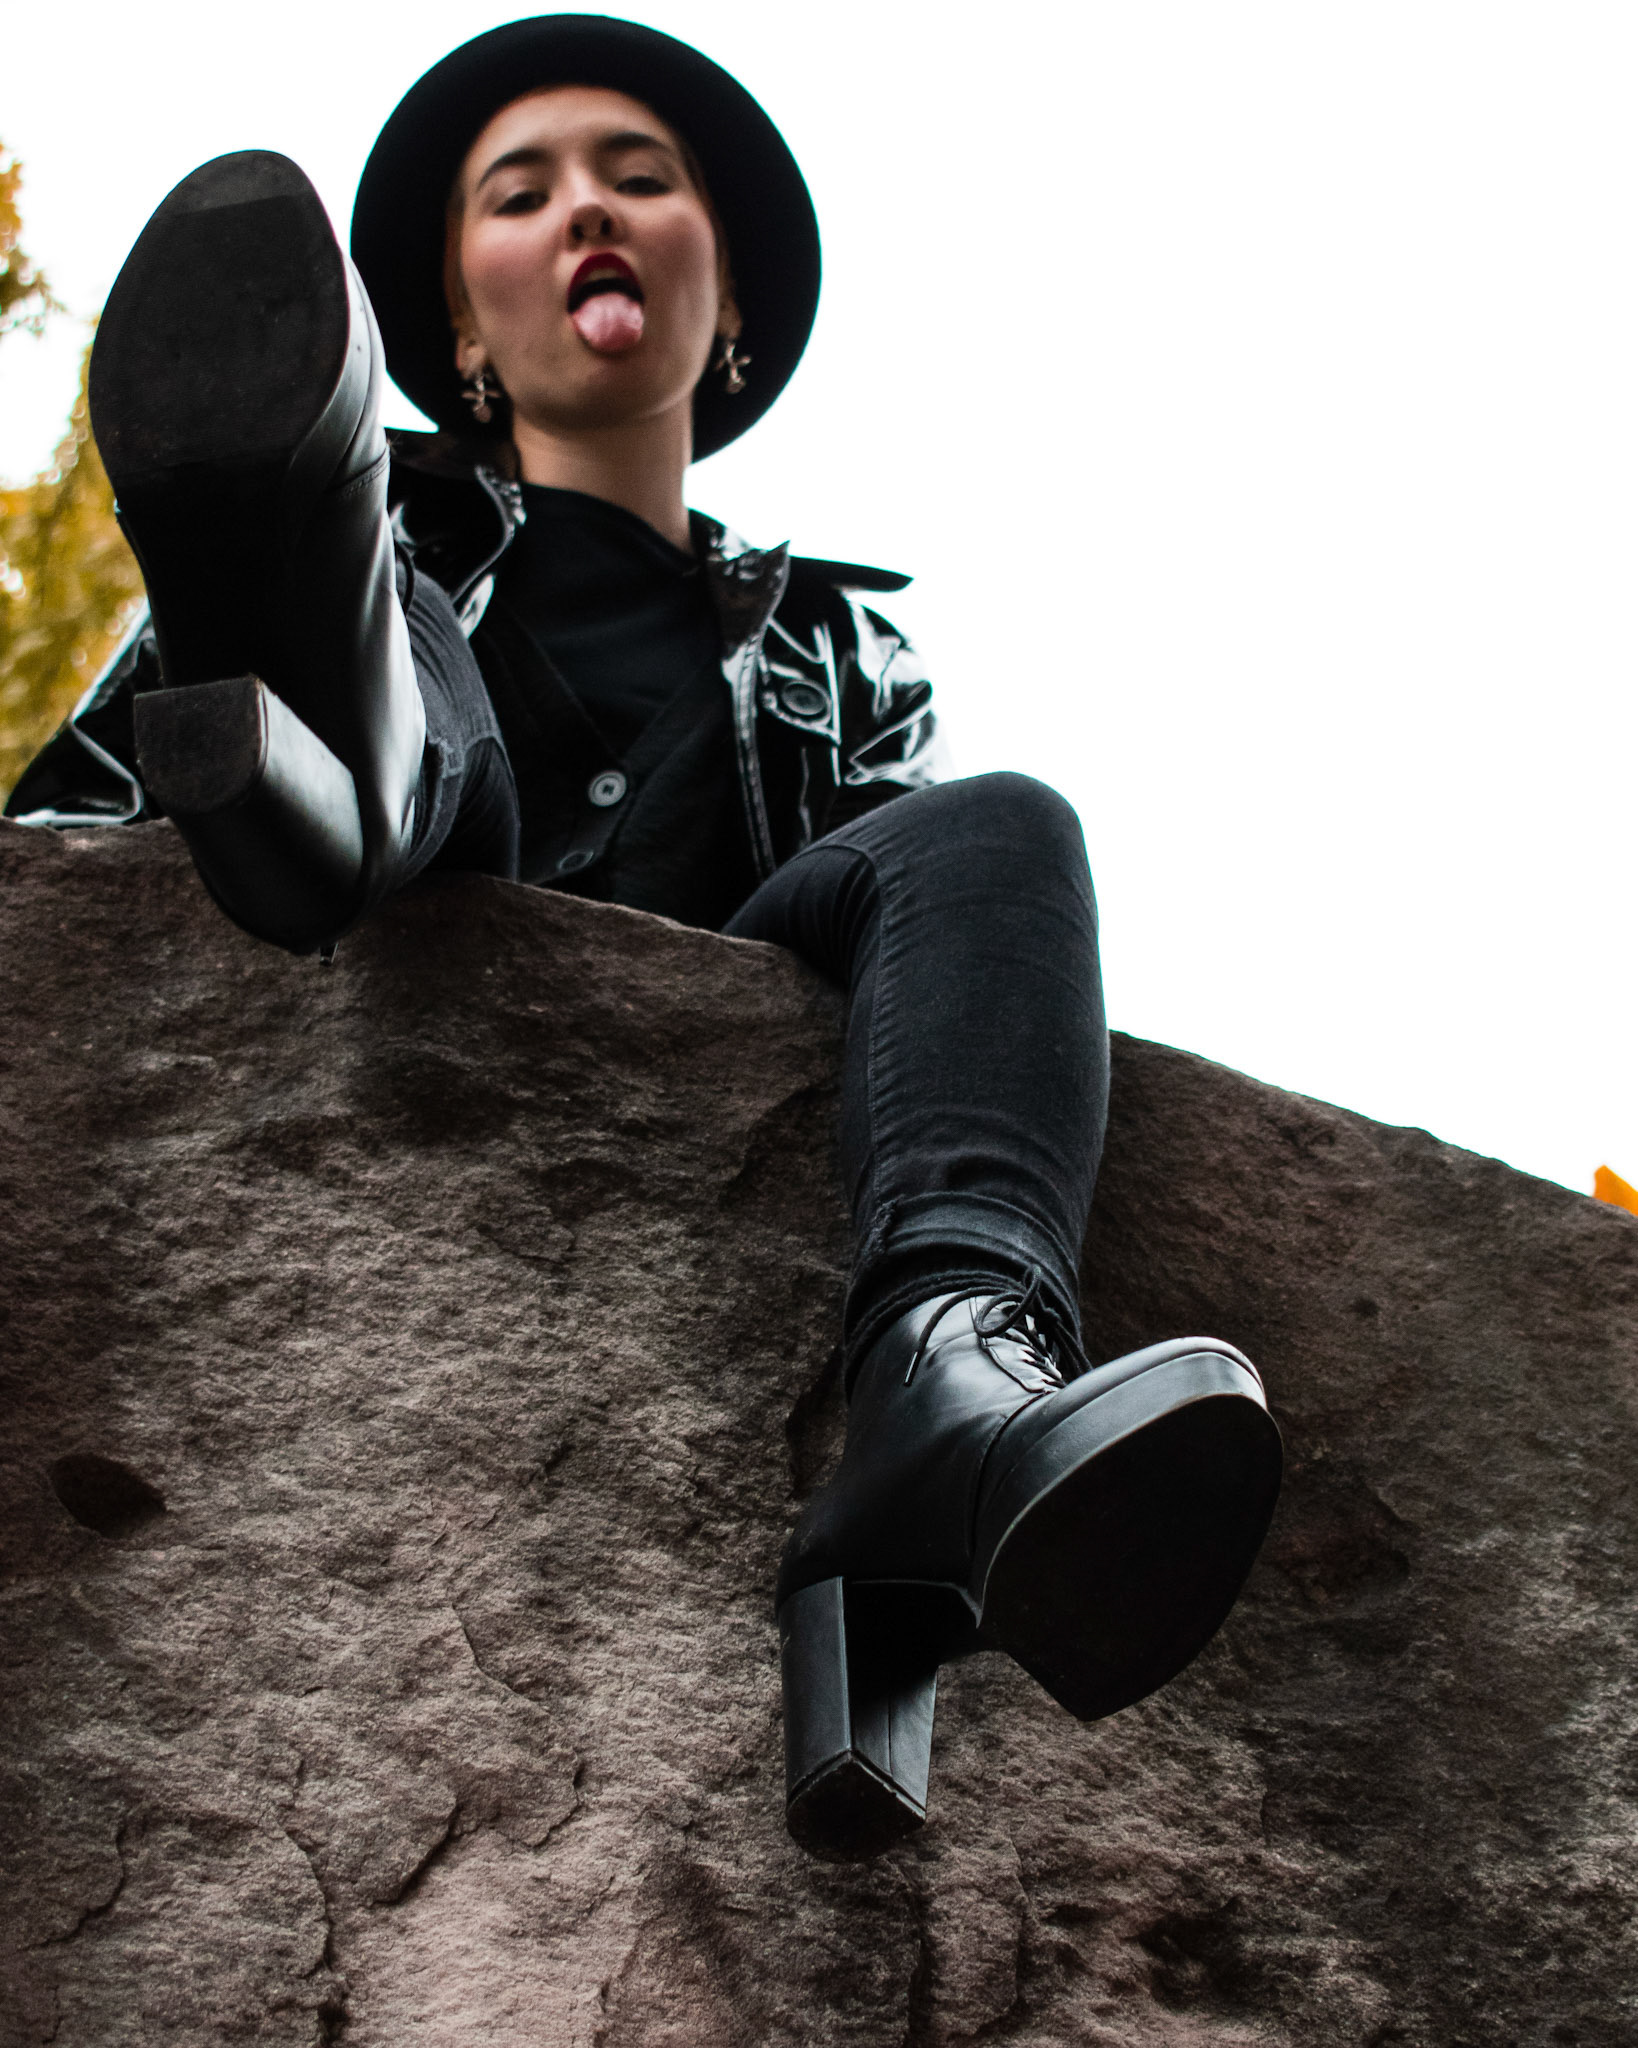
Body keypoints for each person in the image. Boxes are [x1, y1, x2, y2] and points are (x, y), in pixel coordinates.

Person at [9, 17, 1282, 1857]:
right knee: (386, 623)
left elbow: (928, 955)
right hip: (422, 863)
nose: (585, 211)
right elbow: (55, 852)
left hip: (727, 979)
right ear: (456, 326)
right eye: (518, 194)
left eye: (636, 177)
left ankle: (947, 1391)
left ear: (724, 298)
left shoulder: (844, 651)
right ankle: (308, 740)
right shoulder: (391, 536)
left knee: (1003, 827)